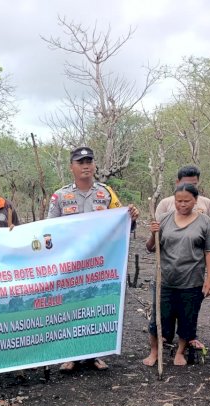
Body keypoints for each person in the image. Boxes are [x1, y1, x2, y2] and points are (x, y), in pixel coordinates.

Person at [46, 146, 140, 371]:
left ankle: (95, 354)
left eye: (89, 161)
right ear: (72, 167)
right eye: (80, 162)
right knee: (70, 306)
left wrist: (132, 217)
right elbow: (48, 230)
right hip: (70, 264)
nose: (86, 165)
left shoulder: (106, 193)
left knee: (96, 306)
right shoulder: (60, 196)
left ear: (95, 165)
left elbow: (124, 224)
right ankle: (71, 354)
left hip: (100, 262)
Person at [143, 184, 210, 366]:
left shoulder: (204, 222)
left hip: (191, 280)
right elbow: (151, 247)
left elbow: (209, 251)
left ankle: (180, 352)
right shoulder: (164, 219)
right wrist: (153, 234)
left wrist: (209, 279)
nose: (182, 204)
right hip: (165, 279)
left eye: (187, 201)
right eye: (178, 201)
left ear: (195, 200)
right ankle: (154, 352)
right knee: (159, 318)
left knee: (187, 319)